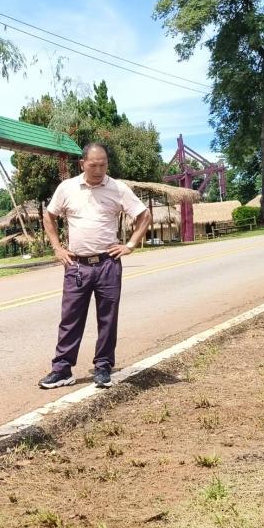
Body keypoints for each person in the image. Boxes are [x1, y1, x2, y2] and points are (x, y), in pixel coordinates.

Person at [38, 142, 151, 390]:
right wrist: (57, 248)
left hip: (108, 263)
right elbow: (49, 216)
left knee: (107, 318)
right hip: (76, 265)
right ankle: (62, 369)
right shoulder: (67, 188)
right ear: (82, 164)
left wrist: (130, 245)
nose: (99, 170)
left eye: (103, 165)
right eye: (93, 165)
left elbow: (144, 215)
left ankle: (103, 367)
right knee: (70, 318)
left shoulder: (118, 188)